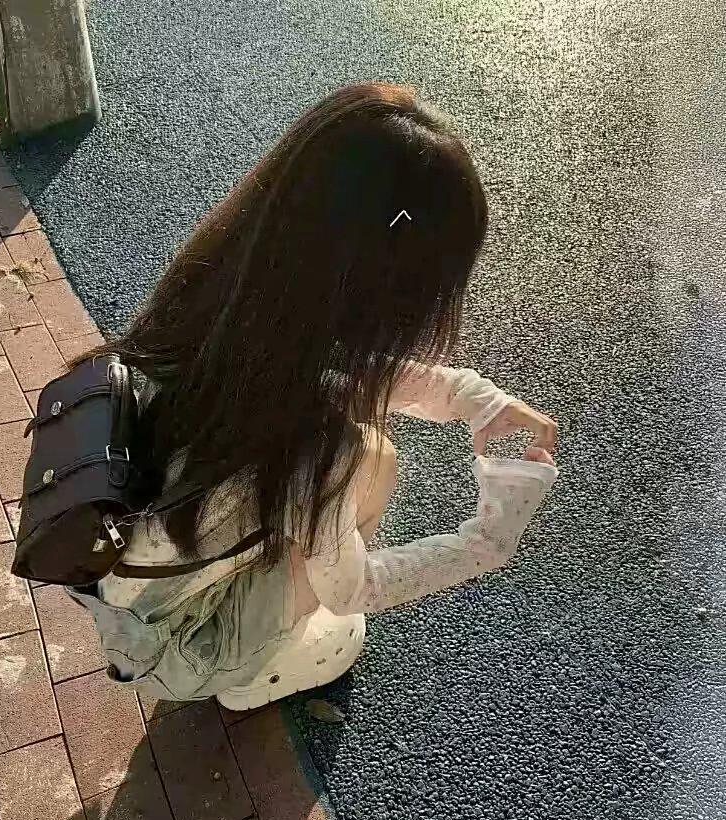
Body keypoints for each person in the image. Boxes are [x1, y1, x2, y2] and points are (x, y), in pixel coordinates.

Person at [68, 82, 559, 711]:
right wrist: (492, 537)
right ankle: (251, 674)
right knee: (371, 467)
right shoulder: (318, 451)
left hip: (122, 590)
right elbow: (354, 590)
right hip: (176, 651)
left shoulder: (219, 290)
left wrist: (474, 398)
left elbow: (340, 370)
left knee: (346, 467)